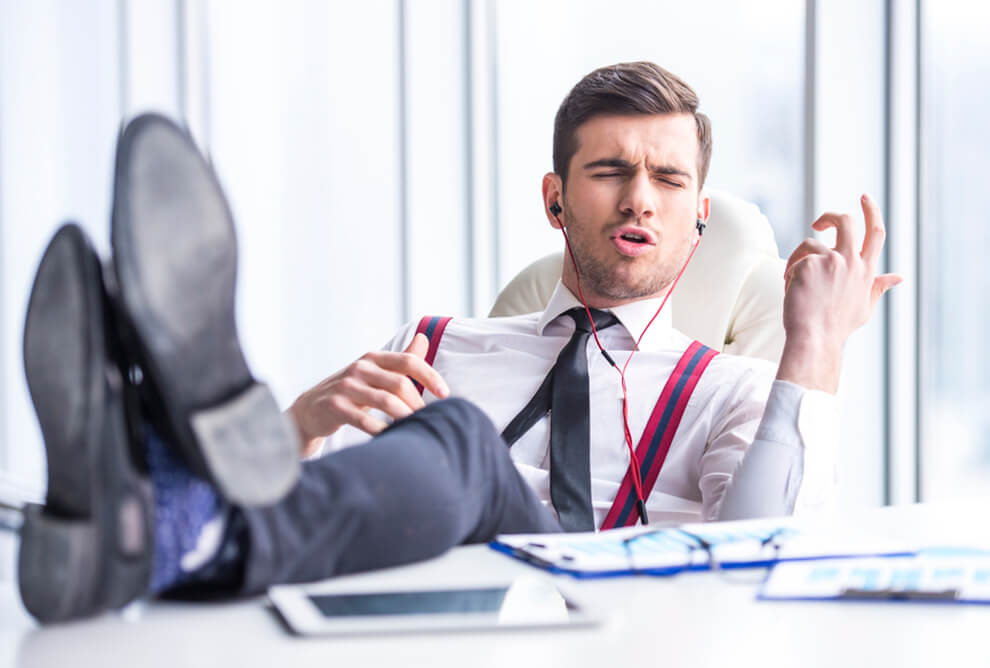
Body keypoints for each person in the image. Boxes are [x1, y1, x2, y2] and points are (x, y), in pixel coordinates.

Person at [17, 62, 897, 625]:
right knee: (428, 441)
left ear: (698, 220)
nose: (640, 200)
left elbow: (755, 568)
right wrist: (299, 426)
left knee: (462, 444)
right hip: (430, 627)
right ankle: (153, 518)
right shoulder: (437, 343)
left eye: (669, 179)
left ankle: (166, 497)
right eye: (609, 172)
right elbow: (338, 529)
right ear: (555, 199)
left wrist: (813, 348)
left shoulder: (738, 390)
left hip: (614, 629)